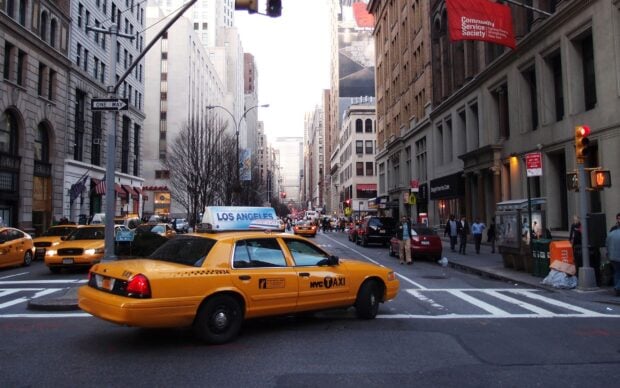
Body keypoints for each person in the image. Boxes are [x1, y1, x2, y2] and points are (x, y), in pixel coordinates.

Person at [606, 227, 620, 296]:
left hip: (612, 258)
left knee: (617, 272)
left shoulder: (610, 234)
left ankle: (617, 288)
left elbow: (607, 246)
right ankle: (617, 287)